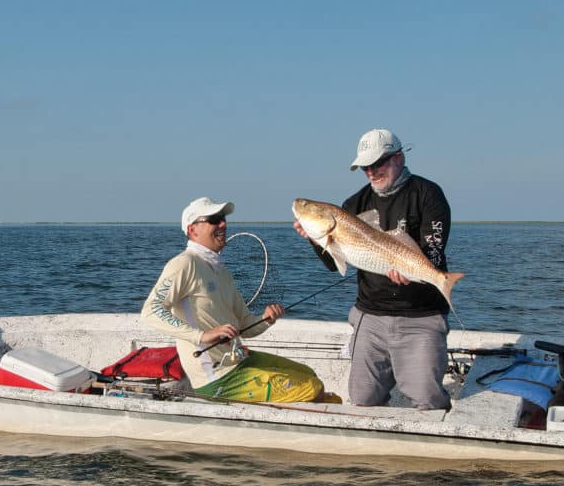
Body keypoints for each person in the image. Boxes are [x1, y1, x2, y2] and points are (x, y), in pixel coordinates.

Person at [293, 128, 453, 411]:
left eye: (378, 163)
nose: (371, 171)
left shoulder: (428, 194)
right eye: (365, 166)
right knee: (363, 400)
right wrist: (315, 240)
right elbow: (334, 264)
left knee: (428, 399)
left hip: (420, 315)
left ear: (399, 157)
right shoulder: (353, 205)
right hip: (370, 314)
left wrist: (416, 272)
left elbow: (434, 249)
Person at [141, 197, 328, 403]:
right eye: (214, 219)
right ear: (193, 230)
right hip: (217, 378)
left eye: (223, 219)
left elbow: (245, 327)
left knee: (308, 373)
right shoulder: (184, 264)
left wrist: (266, 318)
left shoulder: (221, 271)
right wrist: (202, 336)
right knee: (312, 388)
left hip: (239, 360)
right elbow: (151, 311)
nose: (223, 224)